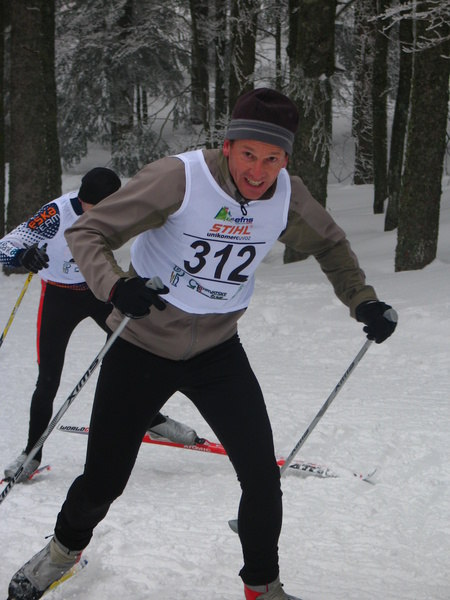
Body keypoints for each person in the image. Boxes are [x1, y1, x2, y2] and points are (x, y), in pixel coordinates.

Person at [7, 89, 397, 600]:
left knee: (262, 477)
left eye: (273, 158)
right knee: (104, 480)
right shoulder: (181, 178)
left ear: (286, 159)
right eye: (249, 154)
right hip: (141, 345)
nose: (258, 171)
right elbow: (89, 231)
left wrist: (363, 301)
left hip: (218, 351)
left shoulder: (287, 195)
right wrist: (116, 286)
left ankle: (263, 587)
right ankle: (61, 553)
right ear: (228, 145)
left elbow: (330, 243)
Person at [0, 167, 198, 483]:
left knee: (139, 356)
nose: (96, 214)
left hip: (100, 289)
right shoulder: (57, 213)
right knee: (48, 379)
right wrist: (22, 256)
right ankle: (31, 453)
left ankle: (152, 420)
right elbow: (6, 244)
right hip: (59, 296)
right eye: (90, 207)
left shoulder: (123, 207)